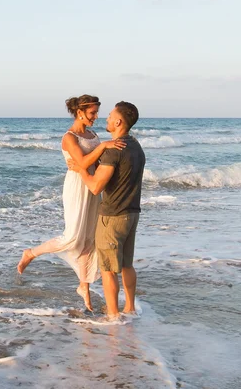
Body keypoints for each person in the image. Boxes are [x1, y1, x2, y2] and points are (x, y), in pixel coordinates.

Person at [17, 95, 126, 312]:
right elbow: (83, 162)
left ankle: (83, 287)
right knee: (73, 236)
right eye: (92, 113)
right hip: (76, 187)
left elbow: (93, 162)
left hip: (93, 186)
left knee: (89, 238)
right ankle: (31, 253)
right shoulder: (69, 137)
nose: (96, 117)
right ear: (80, 113)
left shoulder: (92, 134)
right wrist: (104, 146)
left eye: (96, 112)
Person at [67, 101, 145, 321]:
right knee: (127, 264)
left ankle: (113, 315)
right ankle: (130, 308)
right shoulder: (136, 146)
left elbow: (95, 187)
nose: (107, 118)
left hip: (112, 216)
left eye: (110, 115)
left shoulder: (113, 150)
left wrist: (80, 169)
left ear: (119, 122)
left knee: (109, 269)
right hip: (132, 213)